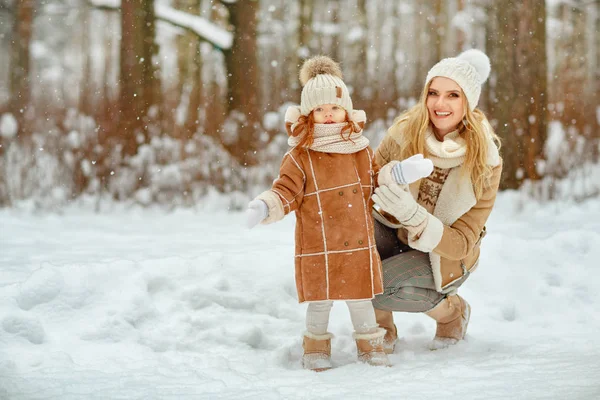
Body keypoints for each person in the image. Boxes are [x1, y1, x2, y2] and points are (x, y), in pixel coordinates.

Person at [245, 55, 432, 371]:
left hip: (356, 243)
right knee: (320, 302)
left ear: (346, 109)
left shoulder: (360, 150)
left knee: (361, 301)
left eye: (334, 107)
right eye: (320, 110)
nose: (328, 115)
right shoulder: (300, 157)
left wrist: (400, 172)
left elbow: (375, 180)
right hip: (318, 244)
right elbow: (286, 191)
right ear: (309, 115)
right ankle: (316, 349)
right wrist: (266, 205)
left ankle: (370, 347)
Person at [370, 49, 503, 353]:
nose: (440, 104)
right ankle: (382, 327)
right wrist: (386, 176)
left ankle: (453, 313)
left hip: (443, 256)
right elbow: (366, 183)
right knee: (352, 246)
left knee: (377, 287)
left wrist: (414, 215)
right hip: (397, 234)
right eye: (433, 93)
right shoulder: (405, 132)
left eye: (453, 95)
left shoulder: (486, 161)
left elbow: (461, 243)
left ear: (468, 102)